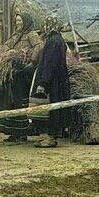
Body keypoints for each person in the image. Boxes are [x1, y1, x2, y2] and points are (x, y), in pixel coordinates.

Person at [0, 15, 42, 143]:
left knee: (20, 101)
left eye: (20, 21)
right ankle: (13, 132)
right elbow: (6, 46)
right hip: (13, 73)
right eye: (16, 21)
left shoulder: (31, 34)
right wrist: (4, 54)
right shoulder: (17, 35)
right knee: (10, 102)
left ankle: (22, 133)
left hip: (23, 74)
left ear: (26, 21)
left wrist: (31, 62)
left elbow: (39, 46)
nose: (18, 23)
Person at [34, 16, 71, 148]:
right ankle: (50, 136)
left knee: (52, 108)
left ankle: (51, 138)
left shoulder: (53, 41)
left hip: (54, 81)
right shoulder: (58, 39)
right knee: (55, 107)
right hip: (59, 79)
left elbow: (50, 63)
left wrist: (43, 83)